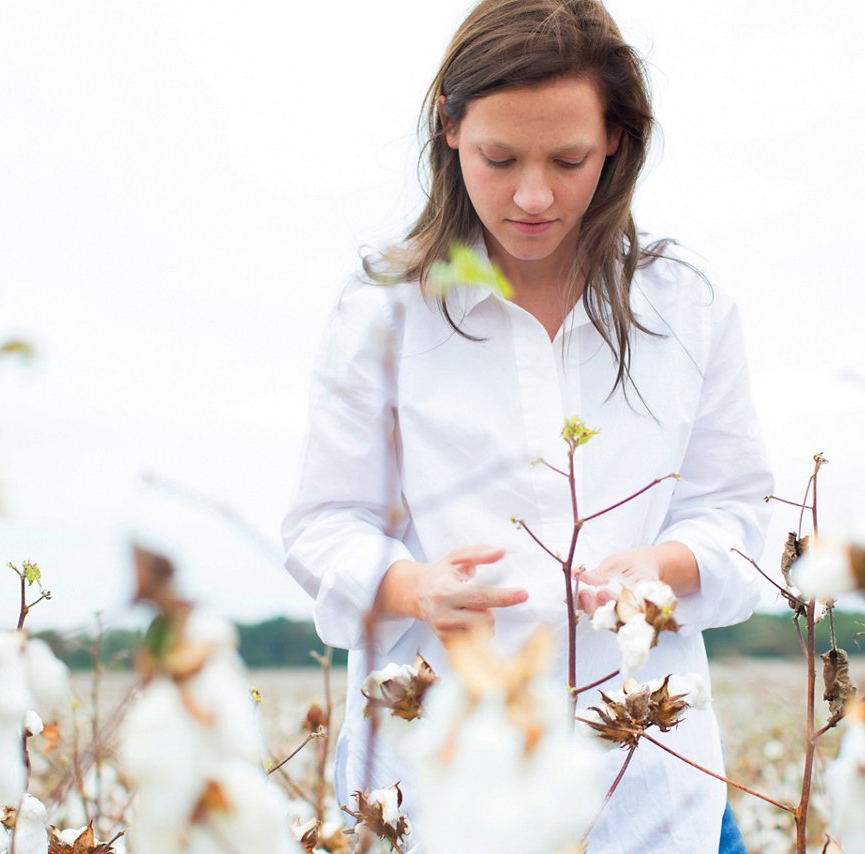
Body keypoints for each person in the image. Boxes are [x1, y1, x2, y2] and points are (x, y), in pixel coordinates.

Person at [281, 1, 772, 850]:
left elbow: (743, 515)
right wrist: (415, 589)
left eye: (568, 158)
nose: (534, 195)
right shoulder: (383, 315)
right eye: (499, 158)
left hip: (654, 788)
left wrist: (665, 565)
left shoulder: (687, 311)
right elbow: (324, 526)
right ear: (449, 128)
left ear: (617, 138)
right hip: (438, 790)